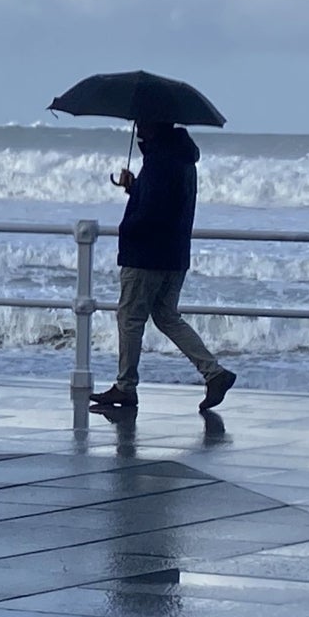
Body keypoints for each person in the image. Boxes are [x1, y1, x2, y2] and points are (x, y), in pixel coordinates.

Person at [89, 121, 235, 411]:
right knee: (167, 316)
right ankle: (214, 373)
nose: (138, 126)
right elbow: (166, 203)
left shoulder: (158, 160)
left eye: (142, 120)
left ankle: (125, 387)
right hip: (174, 253)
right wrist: (136, 188)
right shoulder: (181, 157)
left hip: (147, 254)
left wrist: (128, 228)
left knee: (130, 318)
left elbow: (152, 213)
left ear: (153, 125)